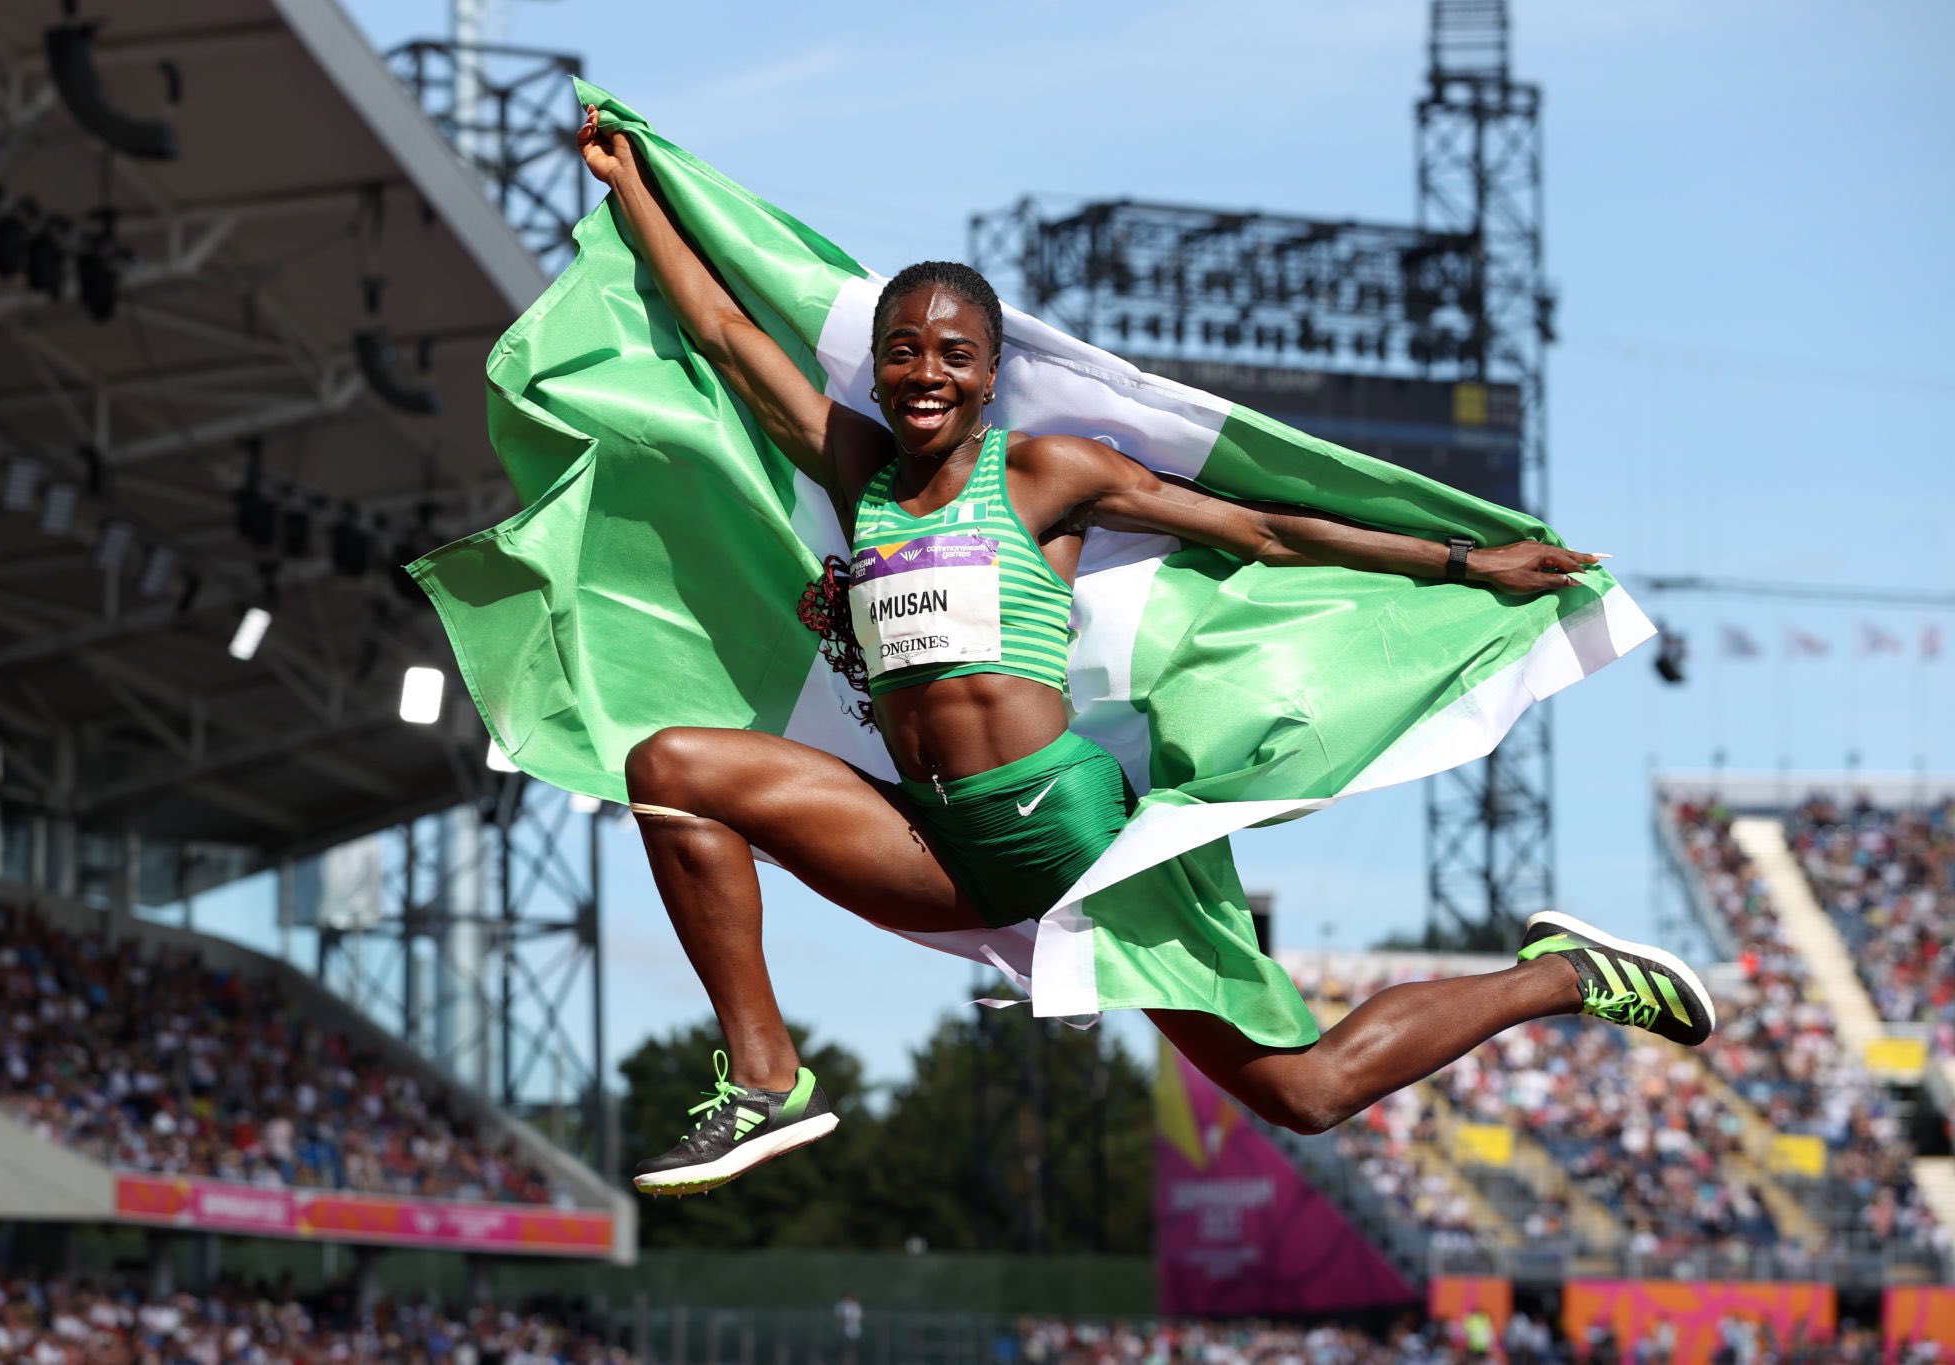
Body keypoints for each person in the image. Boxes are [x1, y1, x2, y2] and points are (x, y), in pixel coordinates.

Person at [576, 110, 1715, 1197]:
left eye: (953, 354)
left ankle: (1564, 975)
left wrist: (1465, 565)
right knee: (670, 768)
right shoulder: (856, 473)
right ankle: (766, 1082)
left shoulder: (1043, 474)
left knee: (1309, 1092)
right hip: (933, 839)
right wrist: (633, 190)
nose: (924, 372)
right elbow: (727, 335)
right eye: (901, 353)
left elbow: (1264, 528)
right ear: (875, 370)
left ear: (987, 372)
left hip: (1070, 837)